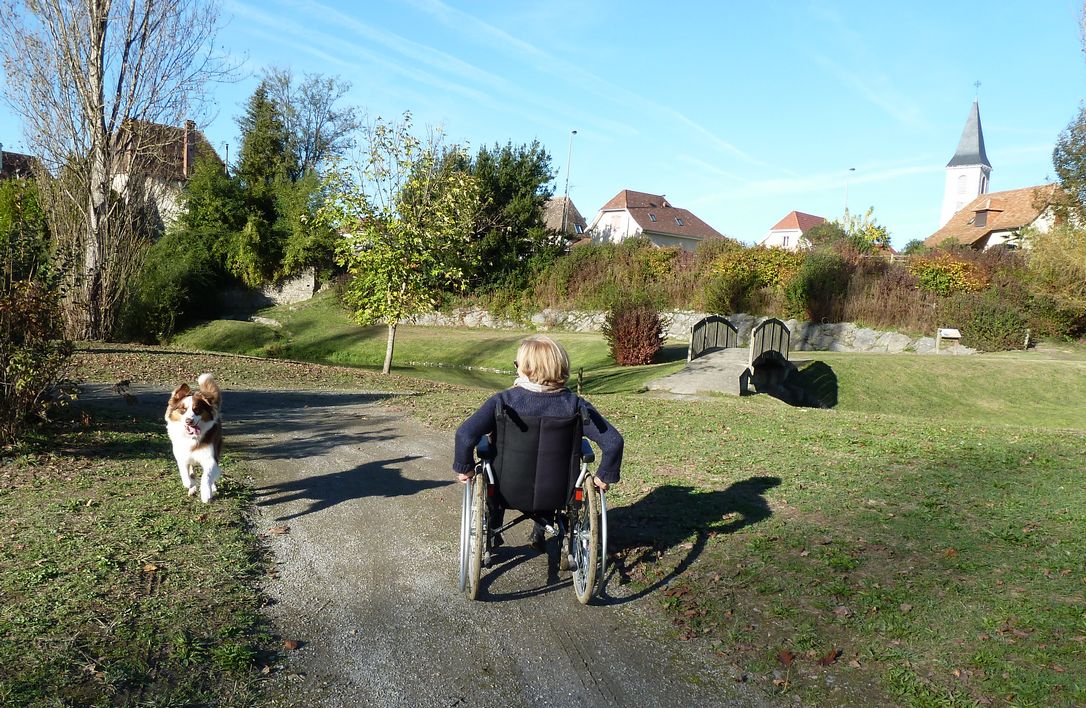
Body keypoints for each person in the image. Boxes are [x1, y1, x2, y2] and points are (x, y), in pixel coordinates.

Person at [453, 335, 623, 550]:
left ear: (525, 369)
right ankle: (542, 531)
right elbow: (613, 441)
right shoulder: (576, 406)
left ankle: (492, 530)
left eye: (518, 365)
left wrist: (465, 468)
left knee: (496, 465)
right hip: (559, 491)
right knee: (549, 469)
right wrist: (604, 476)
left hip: (505, 490)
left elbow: (465, 435)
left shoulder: (504, 402)